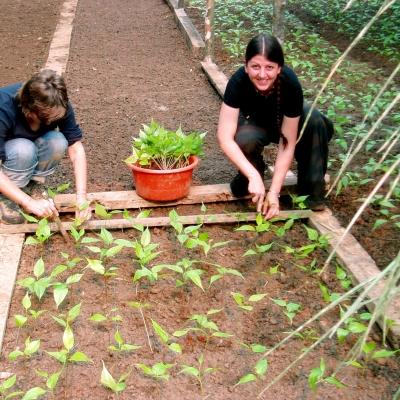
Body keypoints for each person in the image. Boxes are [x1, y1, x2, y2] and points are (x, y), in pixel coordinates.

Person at [217, 33, 334, 219]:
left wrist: (274, 192)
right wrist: (253, 175)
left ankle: (311, 190)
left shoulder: (291, 84)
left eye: (269, 67)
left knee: (314, 121)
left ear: (279, 68)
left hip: (284, 121)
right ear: (246, 66)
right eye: (255, 66)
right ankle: (249, 177)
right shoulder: (237, 83)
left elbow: (288, 142)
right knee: (243, 138)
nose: (262, 75)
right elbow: (224, 137)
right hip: (255, 122)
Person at [0, 69, 90, 224]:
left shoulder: (57, 103)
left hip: (23, 150)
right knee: (24, 149)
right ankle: (6, 197)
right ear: (30, 110)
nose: (53, 121)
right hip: (13, 154)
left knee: (57, 141)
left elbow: (75, 148)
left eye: (58, 116)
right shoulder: (4, 108)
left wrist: (82, 198)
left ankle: (32, 185)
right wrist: (28, 203)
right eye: (48, 118)